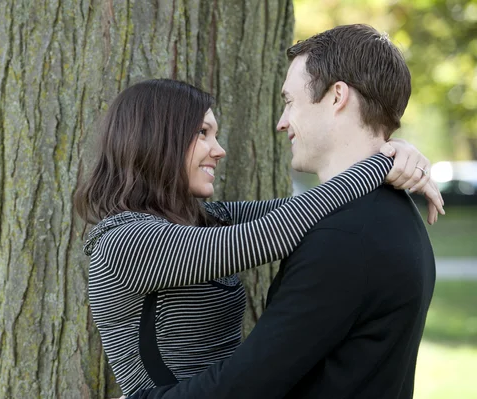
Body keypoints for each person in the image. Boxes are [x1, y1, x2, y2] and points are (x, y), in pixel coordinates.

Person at [127, 24, 438, 399]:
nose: (281, 121)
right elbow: (274, 221)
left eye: (290, 101)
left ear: (337, 95)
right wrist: (383, 159)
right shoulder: (393, 215)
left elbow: (247, 387)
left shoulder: (344, 238)